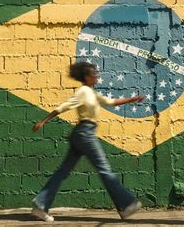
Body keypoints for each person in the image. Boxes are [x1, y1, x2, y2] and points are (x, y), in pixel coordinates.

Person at [31, 62, 144, 222]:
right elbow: (64, 107)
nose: (97, 76)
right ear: (86, 77)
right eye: (94, 74)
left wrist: (131, 99)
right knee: (104, 169)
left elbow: (110, 102)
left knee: (62, 172)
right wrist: (44, 120)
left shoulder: (92, 93)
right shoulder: (83, 91)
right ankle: (127, 204)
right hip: (85, 134)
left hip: (82, 134)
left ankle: (40, 206)